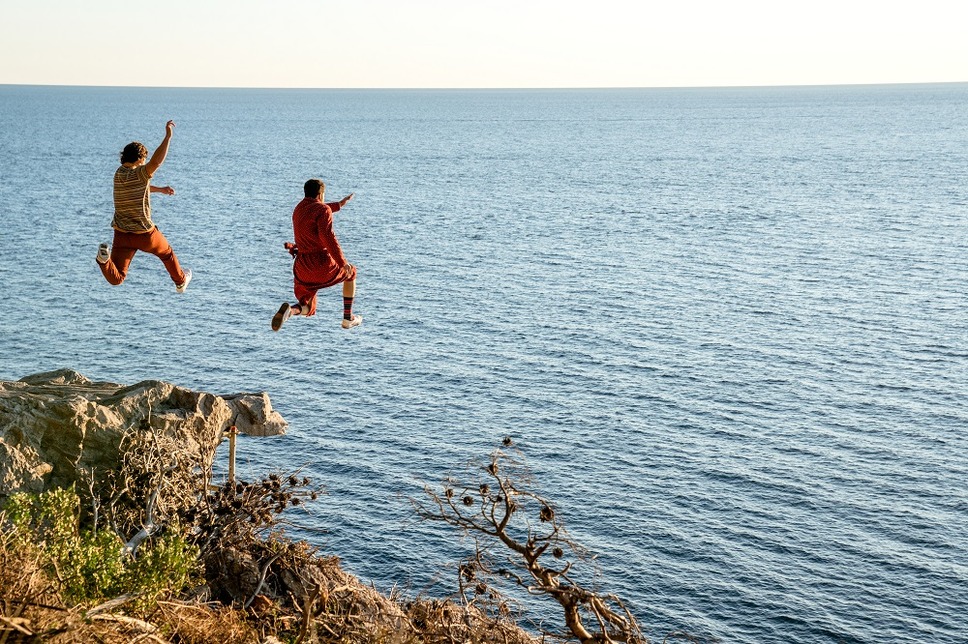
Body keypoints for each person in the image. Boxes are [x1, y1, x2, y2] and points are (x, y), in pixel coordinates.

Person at [96, 120, 192, 293]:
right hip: (144, 235)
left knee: (118, 278)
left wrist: (160, 189)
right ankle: (180, 282)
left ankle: (104, 261)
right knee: (167, 254)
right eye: (144, 161)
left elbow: (140, 187)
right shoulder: (140, 173)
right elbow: (157, 162)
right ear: (140, 159)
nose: (145, 164)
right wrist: (168, 137)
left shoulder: (118, 174)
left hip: (122, 234)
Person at [272, 179, 361, 331]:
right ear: (320, 195)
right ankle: (348, 318)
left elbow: (315, 211)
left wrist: (339, 205)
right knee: (351, 272)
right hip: (322, 265)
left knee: (307, 306)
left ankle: (290, 311)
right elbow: (329, 238)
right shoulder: (323, 210)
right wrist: (342, 262)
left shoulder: (298, 209)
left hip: (302, 268)